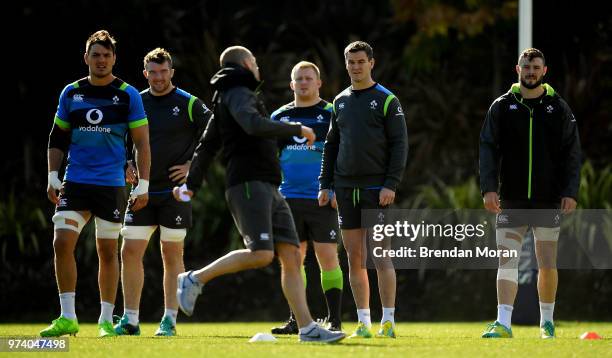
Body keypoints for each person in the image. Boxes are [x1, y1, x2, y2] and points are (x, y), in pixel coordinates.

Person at [173, 46, 345, 343]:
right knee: (262, 254)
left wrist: (192, 183)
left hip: (269, 187)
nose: (257, 65)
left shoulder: (228, 95)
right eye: (254, 61)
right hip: (250, 184)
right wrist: (295, 129)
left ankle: (307, 328)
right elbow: (252, 125)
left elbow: (206, 145)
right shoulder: (238, 91)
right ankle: (194, 278)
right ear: (244, 65)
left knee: (291, 256)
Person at [41, 30, 150, 337]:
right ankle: (68, 317)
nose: (101, 60)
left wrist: (142, 184)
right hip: (75, 181)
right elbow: (57, 137)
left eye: (106, 55)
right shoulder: (71, 93)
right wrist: (52, 175)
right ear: (86, 58)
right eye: (95, 55)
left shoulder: (127, 94)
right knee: (61, 242)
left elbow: (142, 142)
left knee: (106, 250)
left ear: (114, 59)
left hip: (111, 185)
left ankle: (105, 320)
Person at [479, 48, 581, 339]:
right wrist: (488, 188)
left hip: (548, 199)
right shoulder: (501, 106)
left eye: (536, 67)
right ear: (518, 69)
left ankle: (546, 322)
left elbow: (572, 153)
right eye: (526, 66)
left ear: (544, 71)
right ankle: (504, 323)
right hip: (510, 198)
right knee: (506, 260)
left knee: (547, 263)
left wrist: (570, 191)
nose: (531, 71)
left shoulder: (558, 108)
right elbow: (487, 149)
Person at [113, 48, 211, 337]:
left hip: (174, 193)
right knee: (129, 251)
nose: (158, 77)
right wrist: (126, 163)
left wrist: (192, 166)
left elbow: (215, 135)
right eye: (152, 72)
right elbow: (117, 137)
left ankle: (169, 320)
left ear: (171, 72)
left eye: (163, 71)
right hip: (141, 191)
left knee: (171, 253)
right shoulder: (135, 102)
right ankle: (130, 320)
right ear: (145, 74)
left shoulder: (189, 103)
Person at [319, 41, 408, 339]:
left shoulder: (387, 100)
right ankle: (363, 322)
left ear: (371, 62)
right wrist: (325, 184)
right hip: (345, 190)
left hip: (376, 190)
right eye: (350, 62)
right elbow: (331, 146)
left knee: (381, 255)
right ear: (346, 64)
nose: (355, 66)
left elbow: (399, 146)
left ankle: (389, 321)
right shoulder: (340, 102)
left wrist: (390, 184)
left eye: (360, 61)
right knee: (354, 258)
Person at [270, 61, 344, 334]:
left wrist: (335, 187)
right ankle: (297, 320)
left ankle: (334, 319)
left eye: (308, 78)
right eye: (298, 79)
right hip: (287, 198)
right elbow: (270, 157)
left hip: (322, 197)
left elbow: (341, 154)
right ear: (291, 84)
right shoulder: (279, 117)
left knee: (327, 257)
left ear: (318, 83)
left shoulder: (331, 113)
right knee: (292, 260)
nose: (303, 83)